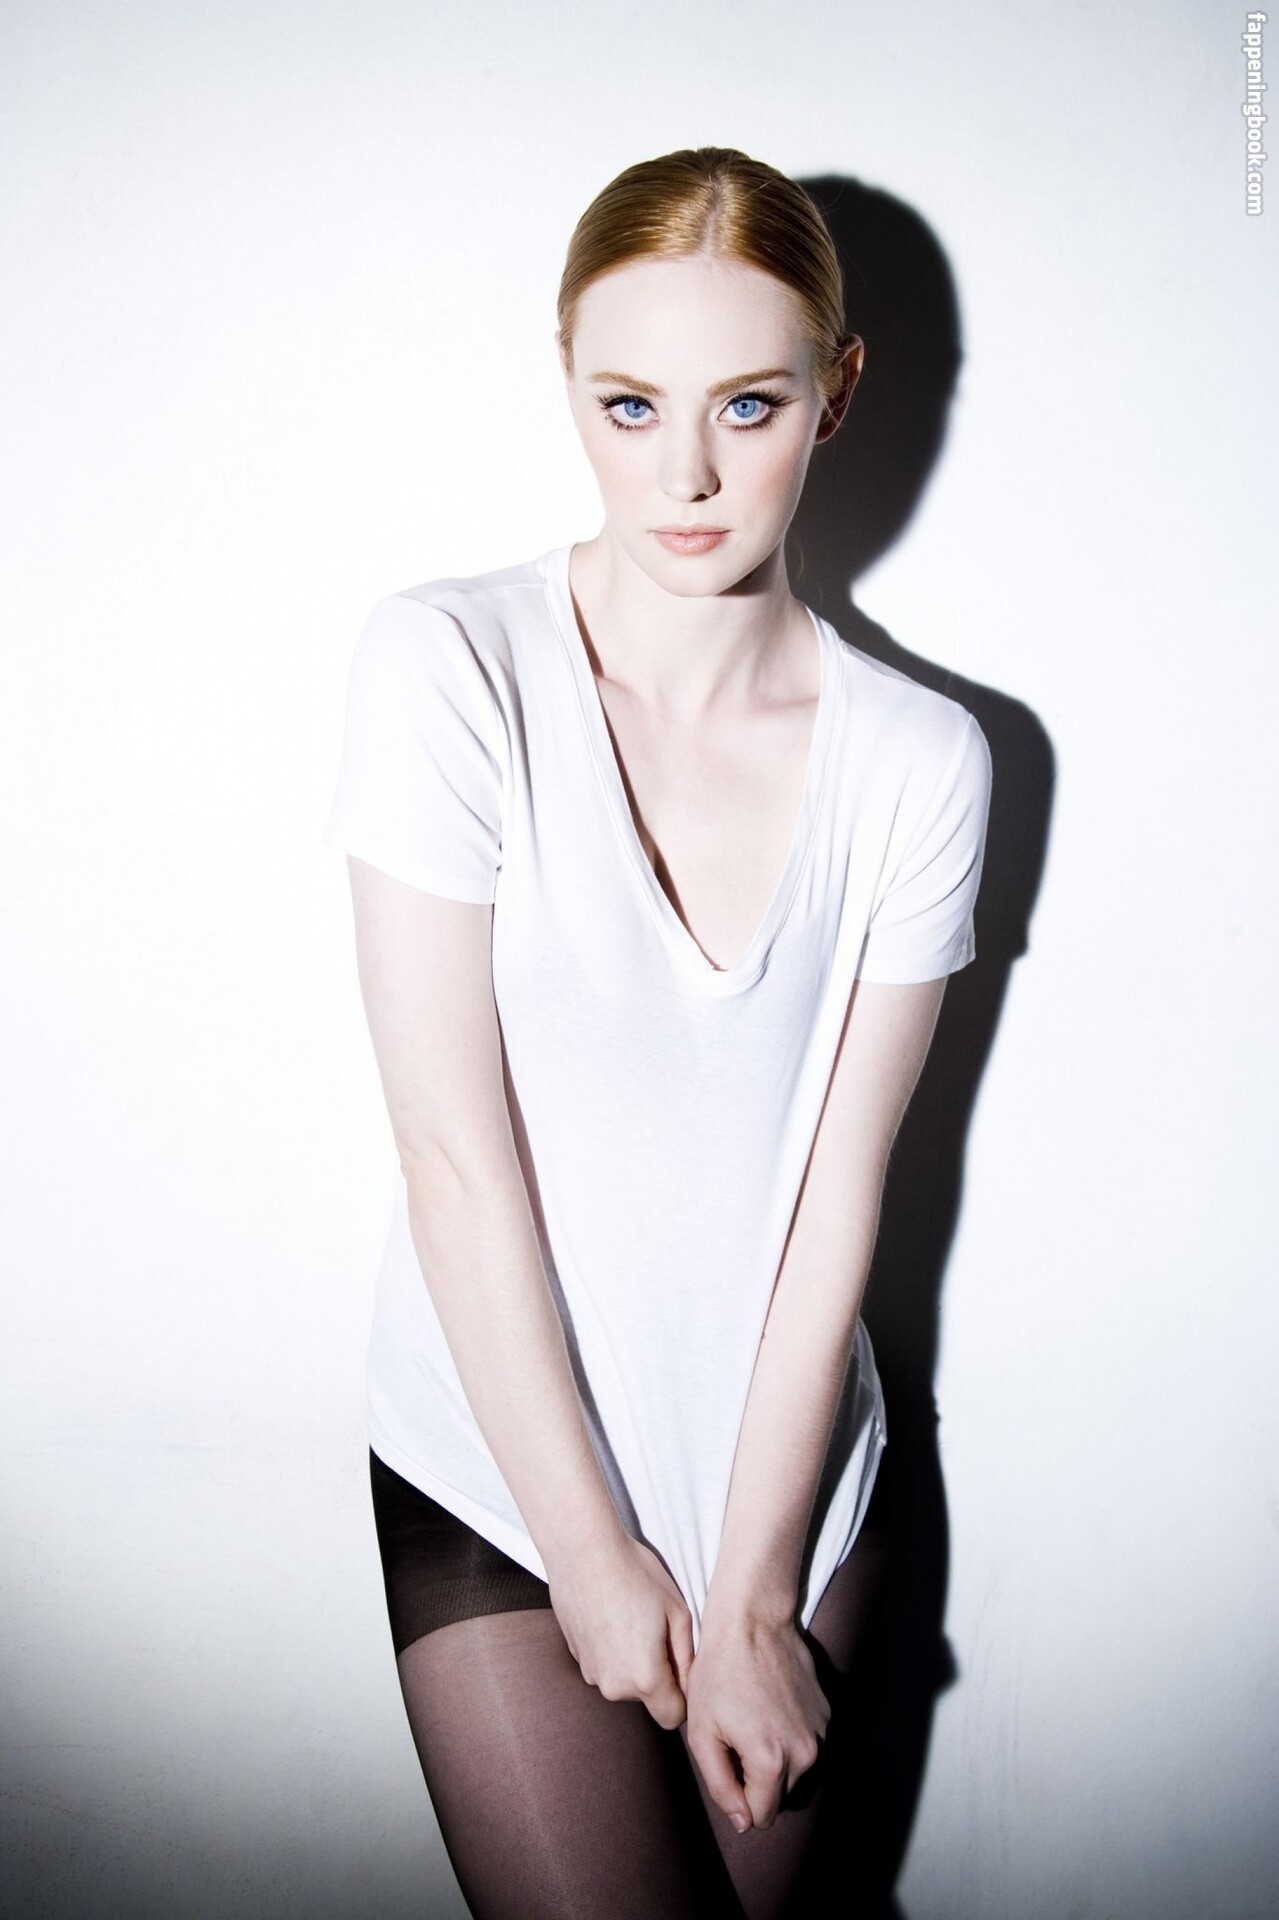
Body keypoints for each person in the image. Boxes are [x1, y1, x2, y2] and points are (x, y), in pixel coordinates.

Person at [323, 146, 991, 1920]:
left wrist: (755, 1588)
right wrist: (587, 1551)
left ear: (836, 392)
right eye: (630, 405)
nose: (683, 476)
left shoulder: (921, 761)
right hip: (499, 1454)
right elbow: (452, 1160)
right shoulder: (449, 667)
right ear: (568, 383)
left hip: (786, 1474)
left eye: (747, 405)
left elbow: (840, 1199)